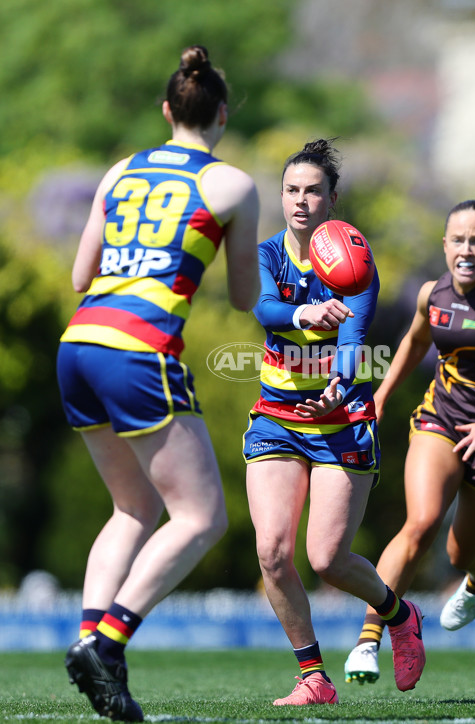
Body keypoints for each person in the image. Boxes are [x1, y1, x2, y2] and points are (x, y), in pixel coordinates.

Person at [56, 45, 260, 722]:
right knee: (202, 517)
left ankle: (92, 648)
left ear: (167, 110)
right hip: (138, 349)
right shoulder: (231, 185)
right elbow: (240, 297)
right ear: (222, 114)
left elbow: (81, 276)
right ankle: (108, 645)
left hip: (79, 343)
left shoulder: (120, 172)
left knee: (134, 509)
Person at [344, 194, 475, 684]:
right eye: (459, 240)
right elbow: (414, 341)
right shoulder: (431, 295)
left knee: (463, 553)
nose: (467, 250)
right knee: (420, 524)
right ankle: (368, 641)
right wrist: (380, 397)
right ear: (445, 245)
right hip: (439, 420)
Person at [243, 138, 425, 706]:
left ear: (333, 198)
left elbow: (353, 340)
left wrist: (338, 387)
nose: (301, 200)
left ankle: (399, 614)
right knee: (272, 551)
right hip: (276, 416)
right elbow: (264, 307)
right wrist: (304, 312)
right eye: (291, 190)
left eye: (312, 191)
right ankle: (313, 679)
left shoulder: (355, 259)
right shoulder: (266, 255)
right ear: (281, 196)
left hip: (340, 418)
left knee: (327, 559)